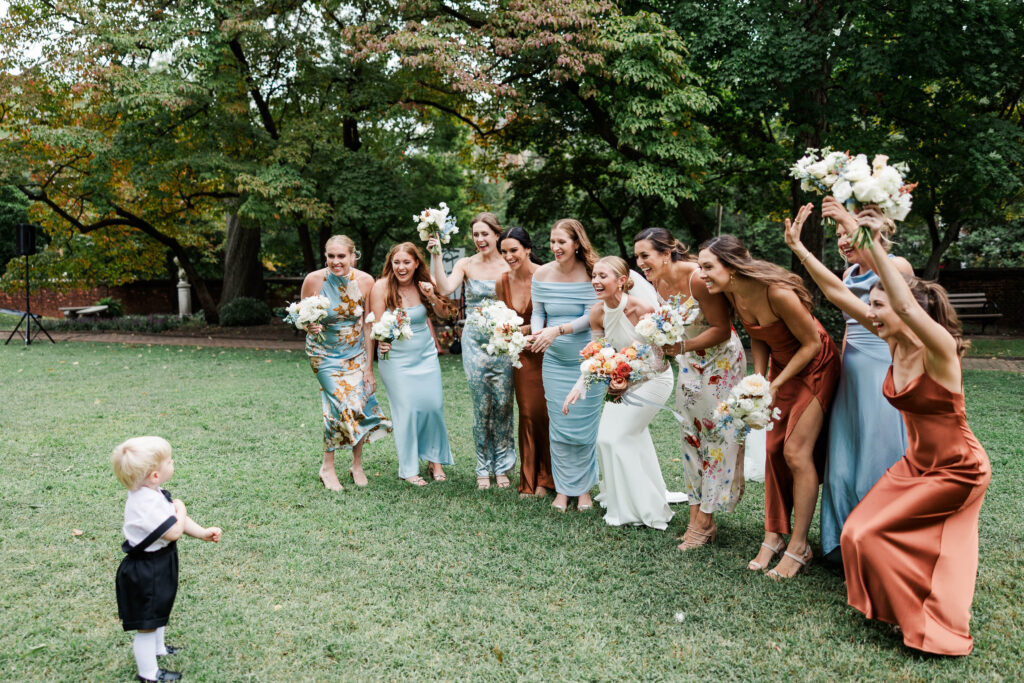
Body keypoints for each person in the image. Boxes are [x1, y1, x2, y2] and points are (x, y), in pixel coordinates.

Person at [786, 203, 990, 655]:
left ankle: (927, 628)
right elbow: (839, 294)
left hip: (958, 468)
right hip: (915, 465)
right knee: (855, 534)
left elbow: (900, 301)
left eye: (879, 306)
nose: (871, 314)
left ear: (907, 310)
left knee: (872, 534)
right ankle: (897, 602)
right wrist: (799, 249)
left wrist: (864, 238)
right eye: (871, 306)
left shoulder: (937, 349)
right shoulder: (888, 337)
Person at [697, 235, 840, 578]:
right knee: (775, 450)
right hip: (780, 370)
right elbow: (757, 334)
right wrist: (758, 382)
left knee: (795, 452)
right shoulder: (731, 292)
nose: (701, 274)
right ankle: (773, 535)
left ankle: (800, 545)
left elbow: (812, 343)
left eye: (707, 267)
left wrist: (774, 384)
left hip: (815, 366)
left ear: (731, 268)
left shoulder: (777, 292)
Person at [809, 197, 913, 562]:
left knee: (876, 453)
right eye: (837, 232)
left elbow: (903, 310)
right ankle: (842, 541)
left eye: (848, 230)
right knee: (843, 459)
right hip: (852, 370)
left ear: (879, 229)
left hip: (882, 367)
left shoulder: (897, 266)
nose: (842, 239)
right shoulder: (848, 274)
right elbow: (850, 328)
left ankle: (878, 544)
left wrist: (850, 222)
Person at [634, 228, 746, 548]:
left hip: (720, 362)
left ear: (666, 254)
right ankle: (696, 516)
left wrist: (682, 345)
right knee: (690, 435)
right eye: (638, 256)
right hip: (690, 361)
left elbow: (722, 330)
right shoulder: (658, 282)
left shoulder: (698, 279)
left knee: (715, 437)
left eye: (646, 255)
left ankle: (704, 521)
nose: (641, 262)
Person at [563, 256, 675, 529]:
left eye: (603, 276)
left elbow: (660, 359)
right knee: (610, 439)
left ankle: (642, 509)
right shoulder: (597, 313)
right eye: (594, 276)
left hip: (655, 379)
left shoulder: (643, 309)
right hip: (622, 380)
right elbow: (596, 355)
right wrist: (579, 386)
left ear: (621, 281)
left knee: (615, 438)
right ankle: (631, 500)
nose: (596, 281)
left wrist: (628, 376)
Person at [112, 436, 221, 683]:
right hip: (145, 570)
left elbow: (173, 522)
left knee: (159, 610)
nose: (173, 463)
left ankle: (159, 649)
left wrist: (202, 532)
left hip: (159, 562)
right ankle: (148, 674)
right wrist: (181, 508)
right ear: (154, 475)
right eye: (170, 461)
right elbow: (173, 530)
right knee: (147, 625)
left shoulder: (151, 492)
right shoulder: (144, 503)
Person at [429, 212, 515, 490]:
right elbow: (444, 287)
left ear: (497, 235)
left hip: (504, 340)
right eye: (476, 234)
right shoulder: (466, 264)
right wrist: (437, 255)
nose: (480, 239)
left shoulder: (510, 262)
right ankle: (482, 468)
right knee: (482, 406)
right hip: (475, 341)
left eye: (485, 234)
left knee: (502, 403)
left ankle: (502, 467)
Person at [300, 235, 392, 491]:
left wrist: (369, 368)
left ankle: (357, 464)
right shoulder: (314, 280)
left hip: (355, 354)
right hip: (323, 355)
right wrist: (308, 325)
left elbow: (367, 326)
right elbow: (302, 317)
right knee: (340, 406)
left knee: (359, 404)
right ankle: (327, 467)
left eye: (341, 256)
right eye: (331, 256)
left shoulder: (365, 281)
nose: (336, 261)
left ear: (354, 256)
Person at [529, 219, 601, 512]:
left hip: (588, 361)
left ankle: (583, 491)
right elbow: (537, 312)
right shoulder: (542, 274)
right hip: (555, 361)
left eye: (562, 242)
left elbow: (590, 316)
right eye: (552, 241)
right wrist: (537, 332)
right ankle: (562, 490)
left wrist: (557, 331)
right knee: (559, 425)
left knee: (584, 428)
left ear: (576, 244)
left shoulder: (591, 275)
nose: (556, 247)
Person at [370, 242, 454, 486]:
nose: (401, 267)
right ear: (391, 264)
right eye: (397, 262)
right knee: (406, 411)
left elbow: (444, 314)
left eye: (406, 262)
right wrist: (381, 341)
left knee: (433, 406)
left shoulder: (424, 285)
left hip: (425, 355)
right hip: (395, 358)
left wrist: (431, 296)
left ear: (416, 263)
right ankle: (408, 469)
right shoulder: (382, 286)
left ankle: (434, 460)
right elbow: (375, 324)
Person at [495, 226, 553, 498]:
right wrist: (503, 333)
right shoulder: (501, 281)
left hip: (549, 351)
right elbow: (501, 319)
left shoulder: (545, 277)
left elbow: (555, 318)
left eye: (513, 250)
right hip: (522, 358)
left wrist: (526, 330)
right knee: (529, 414)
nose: (508, 256)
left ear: (528, 249)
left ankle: (549, 478)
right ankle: (530, 479)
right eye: (504, 251)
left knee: (549, 415)